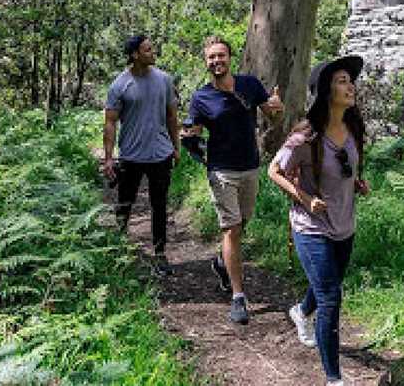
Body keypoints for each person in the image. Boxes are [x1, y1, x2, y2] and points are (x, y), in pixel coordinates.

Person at [268, 55, 371, 386]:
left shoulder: (354, 129)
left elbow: (347, 168)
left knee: (328, 286)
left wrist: (356, 183)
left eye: (349, 80)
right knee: (330, 297)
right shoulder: (305, 137)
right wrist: (304, 198)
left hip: (345, 225)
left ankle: (300, 311)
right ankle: (334, 379)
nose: (350, 85)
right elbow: (274, 170)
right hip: (311, 228)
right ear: (326, 90)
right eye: (342, 80)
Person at [183, 35, 283, 324]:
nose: (216, 61)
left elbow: (272, 116)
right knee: (232, 229)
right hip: (221, 169)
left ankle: (220, 263)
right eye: (211, 57)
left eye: (221, 56)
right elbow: (196, 130)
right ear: (206, 62)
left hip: (250, 166)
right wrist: (189, 136)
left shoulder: (250, 85)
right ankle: (238, 296)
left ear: (229, 58)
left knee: (242, 224)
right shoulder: (201, 97)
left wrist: (278, 108)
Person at [103, 35, 180, 278]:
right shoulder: (120, 85)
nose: (152, 52)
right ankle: (118, 249)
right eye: (147, 50)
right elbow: (110, 123)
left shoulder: (164, 80)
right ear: (135, 54)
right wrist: (108, 158)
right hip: (131, 156)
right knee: (125, 203)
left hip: (160, 154)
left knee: (159, 205)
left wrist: (176, 146)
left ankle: (160, 254)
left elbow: (171, 116)